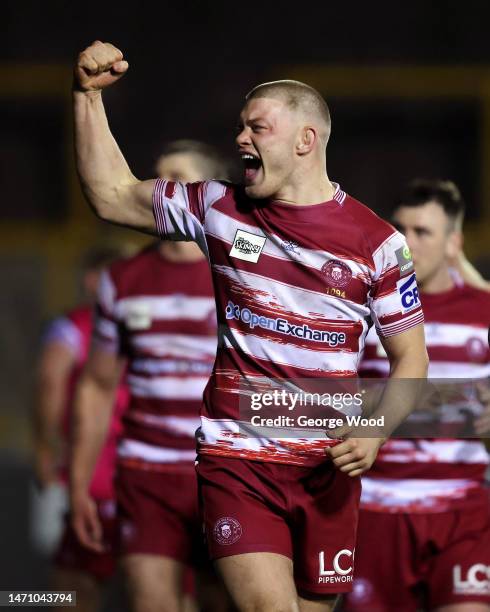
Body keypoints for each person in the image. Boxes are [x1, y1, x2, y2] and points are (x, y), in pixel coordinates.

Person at [72, 41, 428, 612]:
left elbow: (412, 360)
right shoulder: (219, 208)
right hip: (238, 460)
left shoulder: (380, 244)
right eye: (240, 126)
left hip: (328, 470)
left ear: (304, 141)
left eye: (256, 128)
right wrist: (87, 98)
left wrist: (375, 428)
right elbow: (112, 196)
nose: (240, 139)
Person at [70, 141, 232, 612]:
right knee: (150, 602)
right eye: (155, 178)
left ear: (205, 194)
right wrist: (79, 483)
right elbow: (98, 385)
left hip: (227, 470)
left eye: (177, 179)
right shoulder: (122, 279)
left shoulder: (243, 269)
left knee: (222, 601)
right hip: (147, 474)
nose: (160, 191)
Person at [343, 179, 490, 612]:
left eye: (422, 232)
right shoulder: (362, 310)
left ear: (453, 244)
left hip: (465, 511)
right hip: (373, 512)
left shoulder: (483, 312)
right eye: (399, 230)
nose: (406, 244)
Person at [33, 247, 129, 612]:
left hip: (95, 479)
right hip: (159, 475)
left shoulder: (73, 327)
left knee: (71, 589)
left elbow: (49, 380)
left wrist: (44, 446)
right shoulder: (158, 321)